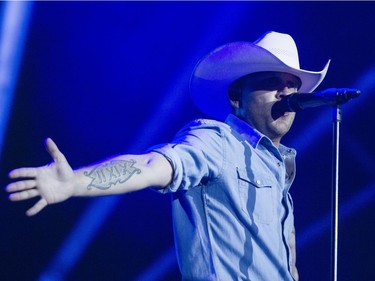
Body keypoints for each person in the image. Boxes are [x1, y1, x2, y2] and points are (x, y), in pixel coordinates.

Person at [6, 31, 330, 281]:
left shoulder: (278, 168)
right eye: (273, 82)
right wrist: (74, 182)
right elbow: (152, 165)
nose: (286, 92)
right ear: (237, 97)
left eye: (292, 85)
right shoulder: (217, 140)